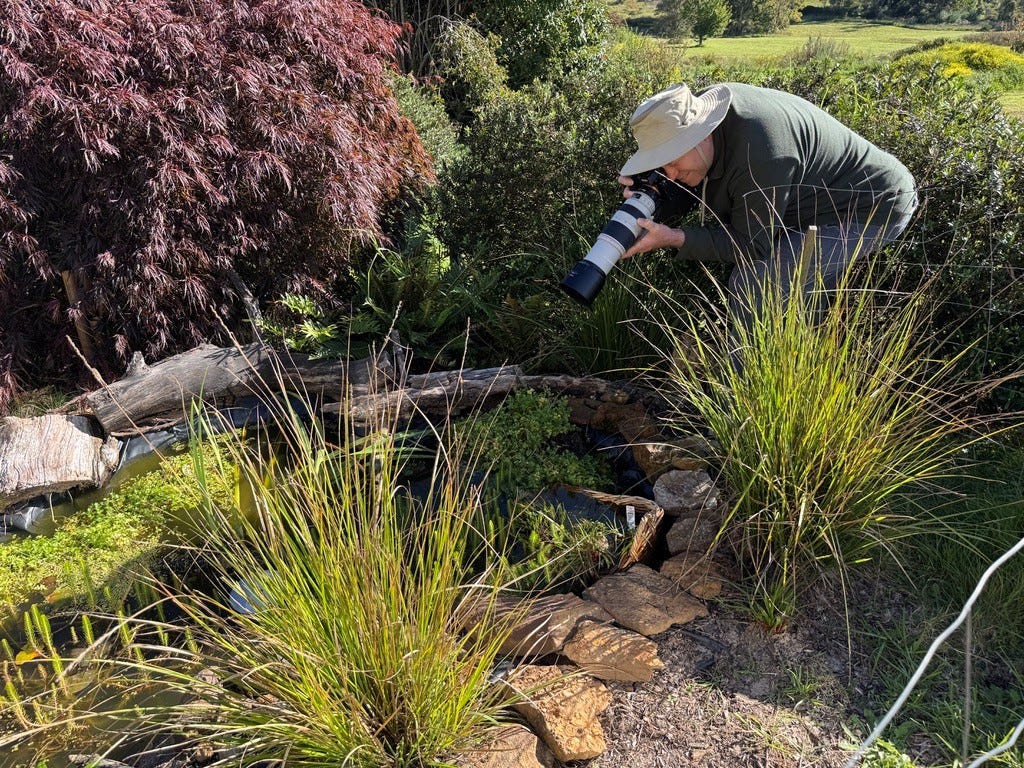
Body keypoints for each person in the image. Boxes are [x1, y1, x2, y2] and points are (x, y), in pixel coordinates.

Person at [616, 81, 918, 331]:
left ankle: (739, 396)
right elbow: (696, 182)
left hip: (870, 207)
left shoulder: (760, 152)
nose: (671, 174)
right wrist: (652, 197)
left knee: (755, 286)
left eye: (672, 161)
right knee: (797, 292)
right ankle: (801, 365)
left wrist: (672, 238)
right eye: (662, 165)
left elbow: (751, 245)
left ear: (701, 135)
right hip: (802, 206)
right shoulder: (702, 130)